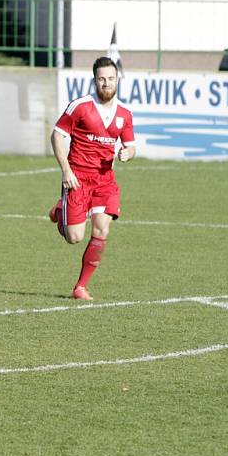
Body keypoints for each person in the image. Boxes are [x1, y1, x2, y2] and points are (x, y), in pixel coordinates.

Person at [48, 56, 136, 301]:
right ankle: (60, 210)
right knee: (74, 237)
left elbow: (131, 146)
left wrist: (127, 153)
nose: (106, 83)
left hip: (105, 181)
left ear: (117, 79)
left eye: (110, 79)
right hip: (77, 178)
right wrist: (66, 170)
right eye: (101, 79)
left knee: (101, 229)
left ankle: (80, 287)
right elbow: (56, 136)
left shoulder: (125, 114)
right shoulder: (80, 107)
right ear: (95, 80)